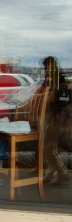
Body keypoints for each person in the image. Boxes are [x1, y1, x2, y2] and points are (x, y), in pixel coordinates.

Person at [40, 56, 70, 185]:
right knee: (48, 146)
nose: (46, 69)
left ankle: (61, 172)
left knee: (47, 145)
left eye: (47, 66)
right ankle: (52, 172)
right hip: (53, 115)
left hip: (54, 116)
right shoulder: (55, 77)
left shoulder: (55, 79)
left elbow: (51, 97)